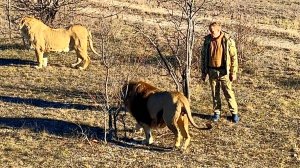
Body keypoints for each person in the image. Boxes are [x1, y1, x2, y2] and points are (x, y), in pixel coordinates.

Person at [200, 22, 240, 123]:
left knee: (228, 92)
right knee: (215, 93)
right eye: (210, 31)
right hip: (212, 71)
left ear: (218, 30)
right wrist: (204, 72)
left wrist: (233, 72)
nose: (211, 33)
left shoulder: (228, 40)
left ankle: (234, 113)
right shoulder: (207, 40)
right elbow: (203, 57)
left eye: (212, 31)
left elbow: (234, 57)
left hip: (224, 72)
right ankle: (216, 113)